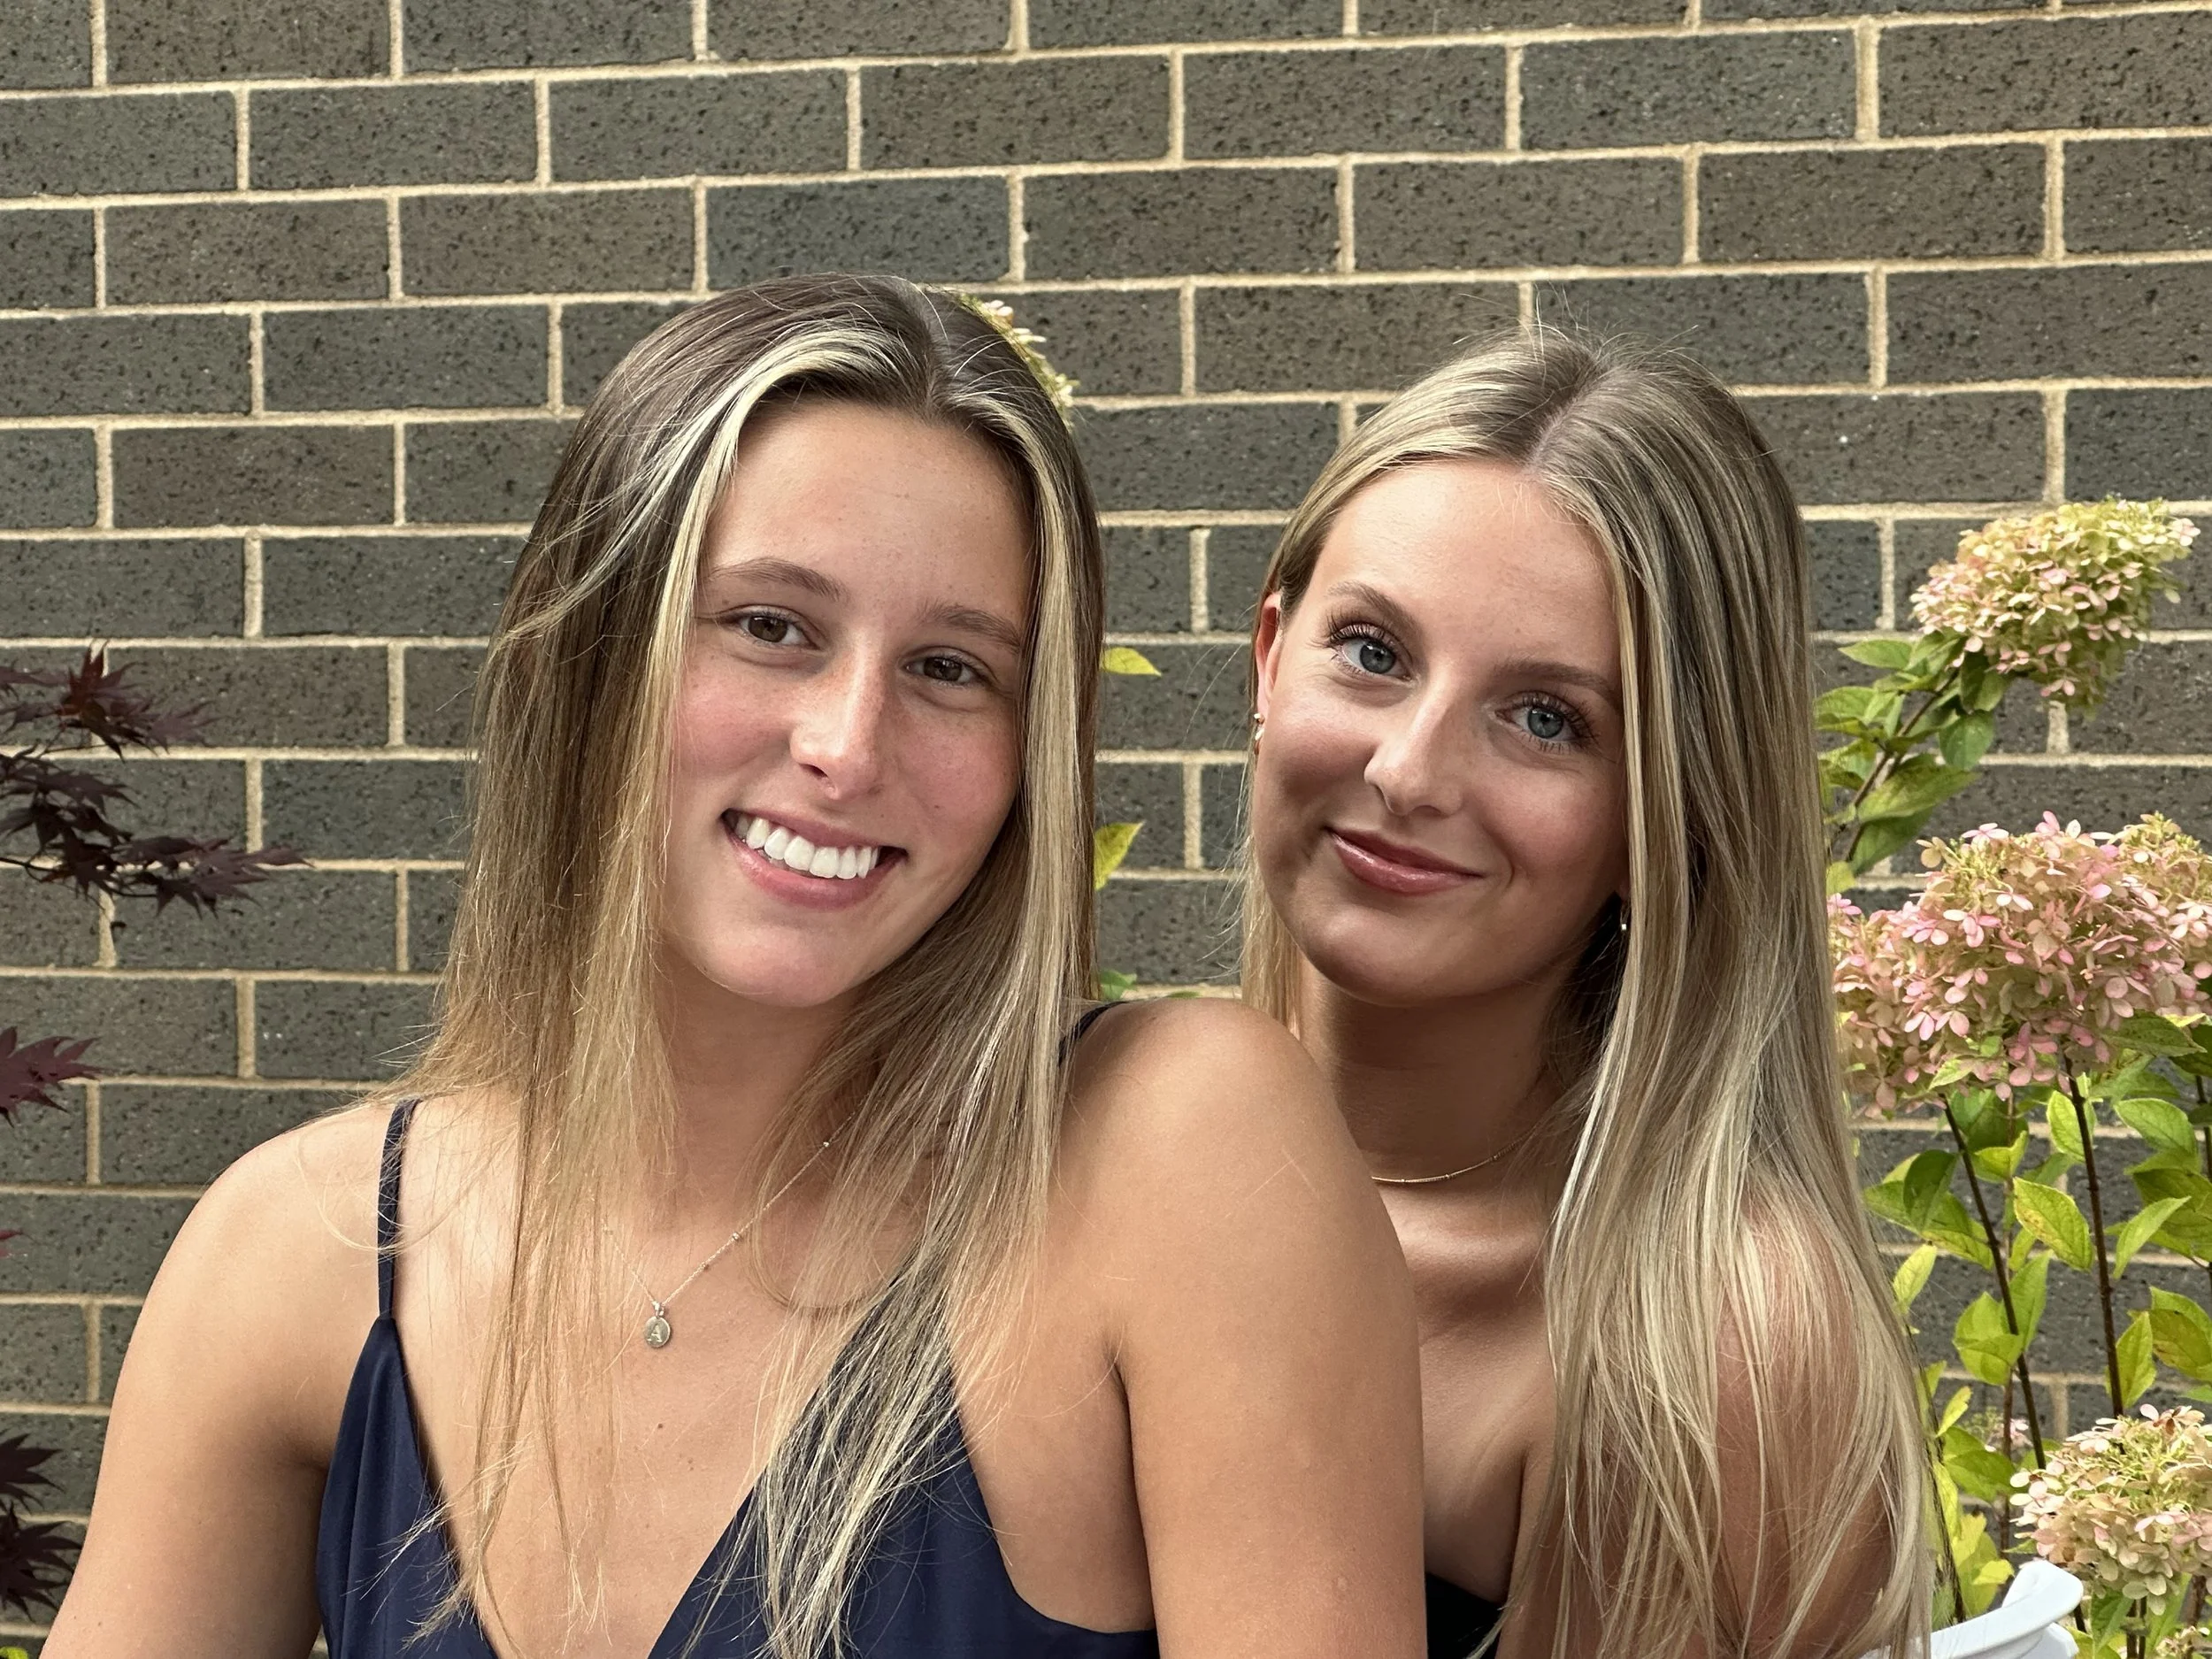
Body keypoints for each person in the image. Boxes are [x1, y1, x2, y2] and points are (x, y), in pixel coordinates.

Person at [49, 275, 1425, 1659]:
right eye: (771, 625)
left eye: (952, 667)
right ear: (591, 654)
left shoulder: (1174, 1158)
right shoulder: (302, 1257)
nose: (847, 745)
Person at [1239, 330, 1931, 1659]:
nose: (1409, 771)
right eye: (1372, 651)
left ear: (1666, 812)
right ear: (1271, 658)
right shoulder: (1082, 1137)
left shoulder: (1712, 1339)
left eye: (1547, 718)